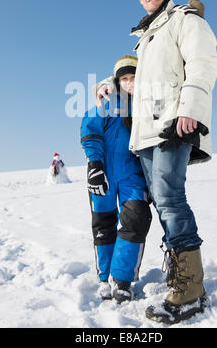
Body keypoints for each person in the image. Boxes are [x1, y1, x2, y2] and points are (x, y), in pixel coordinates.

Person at [95, 0, 217, 324]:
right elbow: (137, 76)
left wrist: (190, 110)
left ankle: (191, 290)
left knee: (171, 200)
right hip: (145, 135)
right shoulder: (146, 37)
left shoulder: (183, 19)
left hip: (171, 127)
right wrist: (108, 82)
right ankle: (182, 277)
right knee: (163, 204)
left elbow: (203, 64)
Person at [80, 55, 152, 304]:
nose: (130, 82)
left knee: (137, 218)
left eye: (134, 77)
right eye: (125, 78)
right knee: (103, 225)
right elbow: (90, 128)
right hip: (104, 173)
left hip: (133, 173)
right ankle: (104, 279)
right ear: (118, 81)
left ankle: (121, 280)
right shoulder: (108, 102)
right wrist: (95, 164)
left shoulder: (146, 104)